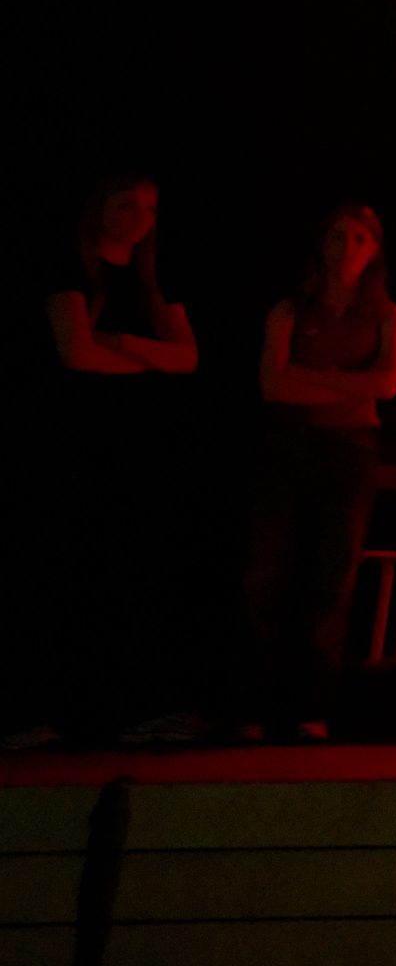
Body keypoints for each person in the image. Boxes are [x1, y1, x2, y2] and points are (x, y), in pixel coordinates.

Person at [6, 174, 202, 750]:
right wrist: (145, 359)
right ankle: (34, 712)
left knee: (128, 574)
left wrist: (127, 345)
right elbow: (77, 352)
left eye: (150, 208)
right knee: (63, 571)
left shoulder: (151, 283)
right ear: (101, 207)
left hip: (137, 450)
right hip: (75, 446)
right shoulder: (71, 270)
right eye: (128, 205)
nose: (141, 217)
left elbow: (188, 357)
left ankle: (123, 710)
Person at [237, 204, 396, 742]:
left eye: (359, 238)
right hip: (288, 447)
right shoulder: (290, 309)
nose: (346, 247)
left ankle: (309, 707)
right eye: (338, 235)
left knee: (332, 578)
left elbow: (387, 385)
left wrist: (310, 377)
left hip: (350, 451)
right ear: (322, 243)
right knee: (264, 574)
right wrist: (348, 382)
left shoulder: (389, 316)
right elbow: (273, 386)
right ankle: (250, 706)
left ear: (374, 251)